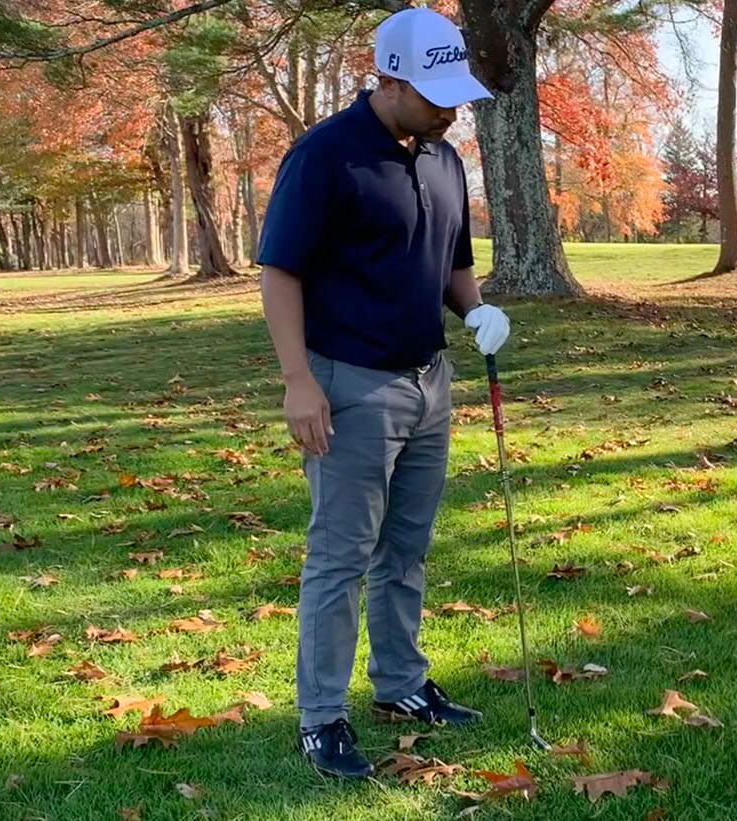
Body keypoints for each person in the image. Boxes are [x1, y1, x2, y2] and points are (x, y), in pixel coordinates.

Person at [255, 7, 510, 780]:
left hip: (429, 380)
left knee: (407, 548)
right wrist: (299, 381)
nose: (452, 108)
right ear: (389, 78)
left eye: (456, 92)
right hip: (350, 384)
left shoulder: (442, 158)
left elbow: (451, 258)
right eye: (436, 93)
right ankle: (320, 717)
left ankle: (400, 686)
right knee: (340, 554)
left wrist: (475, 310)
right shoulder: (326, 156)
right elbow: (279, 271)